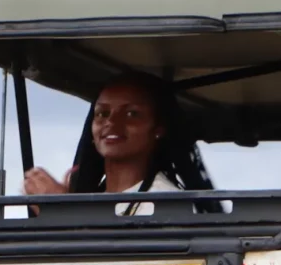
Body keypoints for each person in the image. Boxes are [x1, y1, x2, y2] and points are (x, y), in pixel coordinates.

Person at [22, 74, 213, 205]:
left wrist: (60, 211)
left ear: (159, 129)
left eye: (131, 114)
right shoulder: (89, 198)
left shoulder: (166, 201)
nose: (111, 122)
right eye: (102, 113)